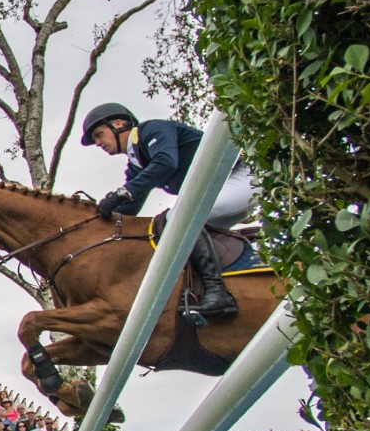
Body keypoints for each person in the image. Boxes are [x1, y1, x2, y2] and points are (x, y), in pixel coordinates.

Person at [81, 102, 251, 319]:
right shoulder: (136, 163)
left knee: (177, 219)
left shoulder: (151, 130)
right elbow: (129, 208)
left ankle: (218, 293)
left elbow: (166, 163)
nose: (97, 143)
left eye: (98, 134)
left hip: (243, 176)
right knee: (172, 235)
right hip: (223, 191)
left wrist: (122, 192)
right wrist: (95, 222)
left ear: (118, 124)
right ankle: (213, 290)